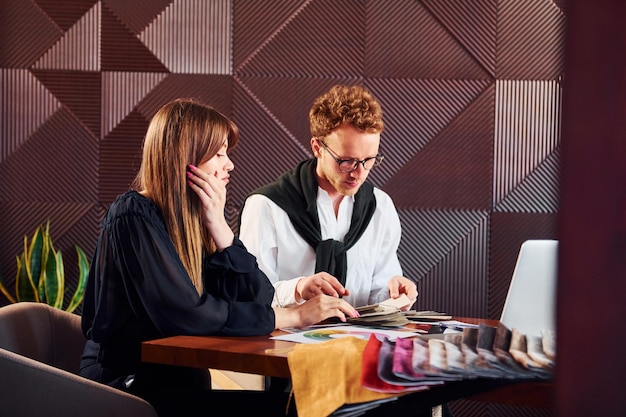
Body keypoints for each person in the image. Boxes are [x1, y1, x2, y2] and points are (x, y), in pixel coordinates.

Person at [78, 98, 358, 417]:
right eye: (220, 154)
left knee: (325, 407)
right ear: (186, 159)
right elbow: (186, 315)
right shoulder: (132, 215)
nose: (230, 165)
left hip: (181, 386)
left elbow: (258, 297)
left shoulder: (196, 225)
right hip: (130, 391)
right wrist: (294, 316)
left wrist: (221, 228)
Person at [239, 84, 418, 312]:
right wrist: (298, 288)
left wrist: (395, 292)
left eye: (369, 160)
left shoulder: (380, 206)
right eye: (346, 160)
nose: (358, 173)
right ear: (317, 148)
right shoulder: (266, 206)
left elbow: (378, 292)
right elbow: (249, 294)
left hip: (359, 342)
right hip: (284, 343)